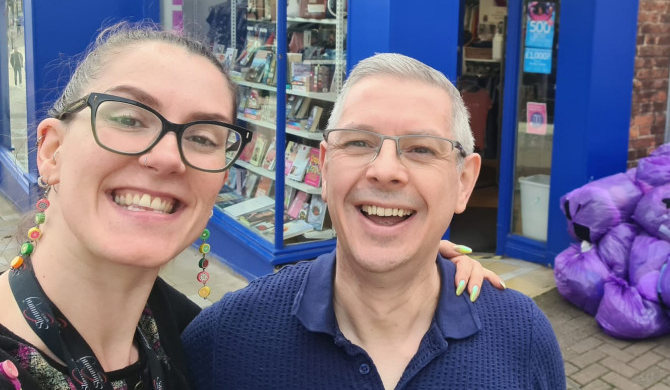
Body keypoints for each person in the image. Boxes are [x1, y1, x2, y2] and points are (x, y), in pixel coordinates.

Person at [0, 24, 499, 389]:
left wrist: (410, 265)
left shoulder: (182, 333)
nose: (166, 157)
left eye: (204, 136)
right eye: (129, 117)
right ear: (51, 149)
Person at [183, 53, 567, 389]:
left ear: (463, 182)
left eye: (420, 149)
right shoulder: (227, 338)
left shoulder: (523, 338)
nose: (385, 171)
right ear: (325, 166)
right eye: (358, 142)